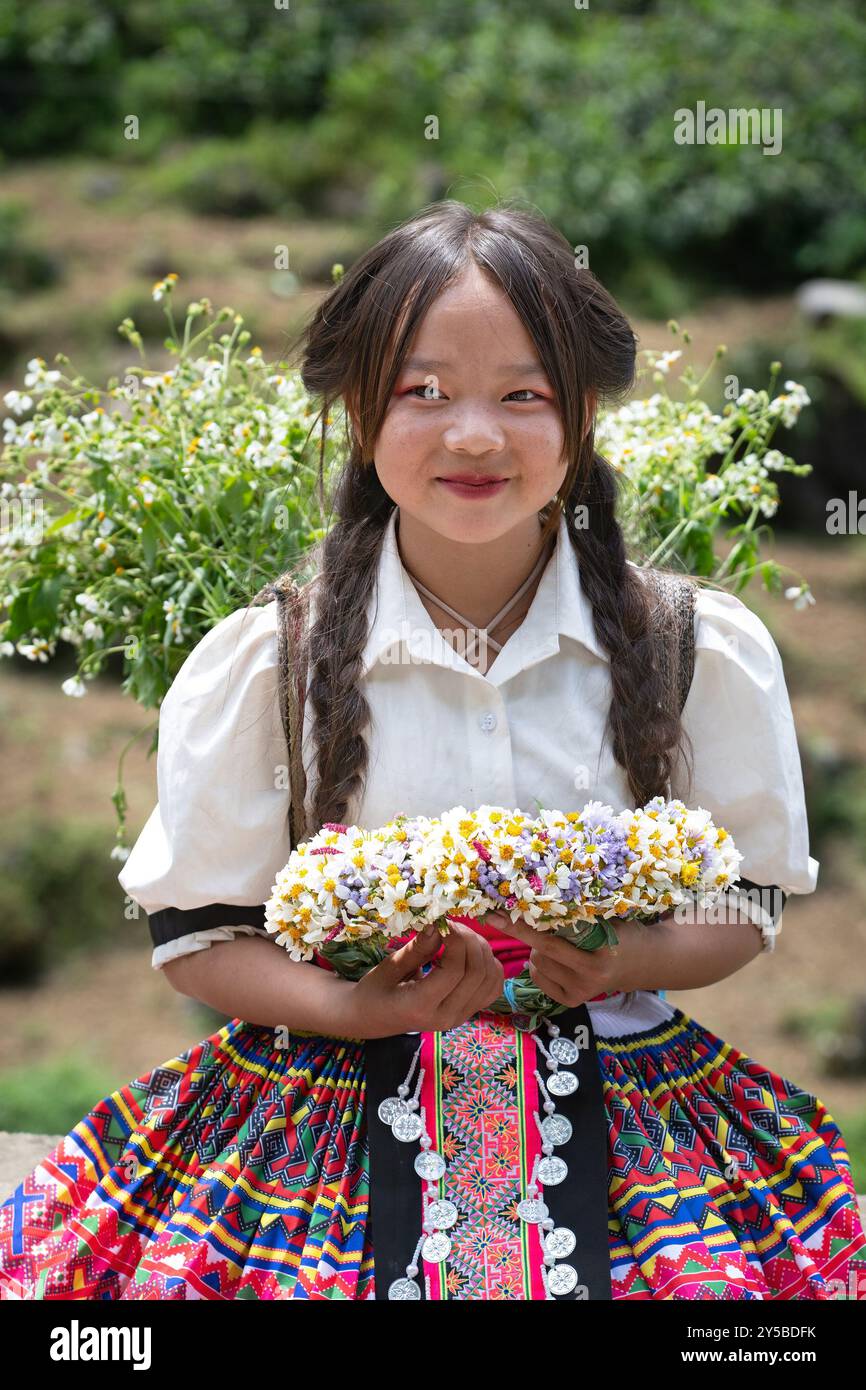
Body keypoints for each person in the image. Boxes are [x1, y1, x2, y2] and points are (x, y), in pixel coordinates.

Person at [2, 201, 864, 1301]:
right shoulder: (266, 660)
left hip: (627, 1097)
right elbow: (198, 935)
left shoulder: (691, 645)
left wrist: (620, 963)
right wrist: (358, 1008)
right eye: (422, 391)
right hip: (317, 1116)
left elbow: (743, 902)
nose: (472, 435)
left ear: (582, 412)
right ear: (360, 412)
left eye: (522, 394)